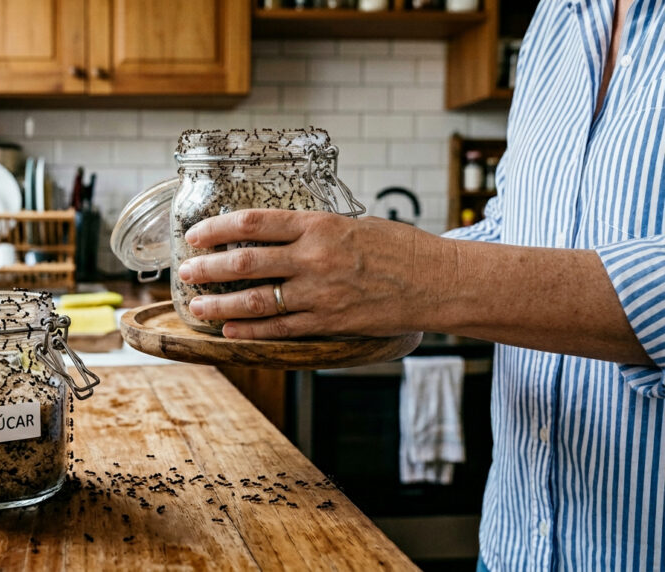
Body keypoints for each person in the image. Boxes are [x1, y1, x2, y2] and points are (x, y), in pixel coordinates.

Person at [175, 1, 664, 570]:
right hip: (514, 546)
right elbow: (519, 225)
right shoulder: (555, 20)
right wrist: (358, 274)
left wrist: (422, 273)